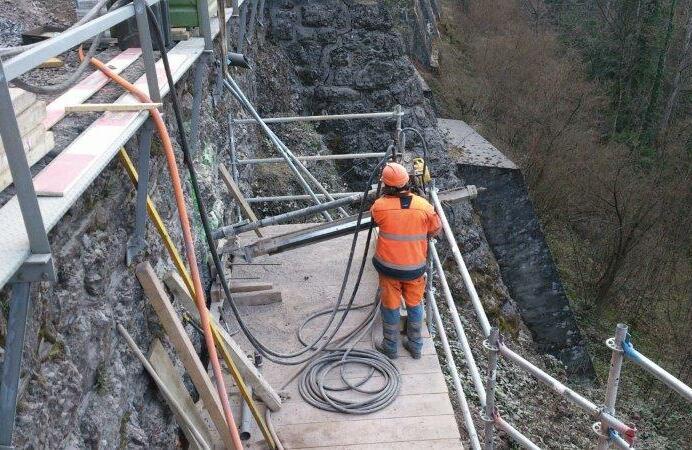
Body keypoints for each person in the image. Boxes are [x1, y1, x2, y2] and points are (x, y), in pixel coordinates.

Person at [370, 162, 441, 359]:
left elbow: (374, 219)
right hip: (414, 269)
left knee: (390, 306)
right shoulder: (424, 206)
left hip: (388, 269)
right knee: (415, 304)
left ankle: (390, 347)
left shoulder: (380, 206)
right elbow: (436, 229)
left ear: (386, 185)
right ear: (407, 181)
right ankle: (416, 346)